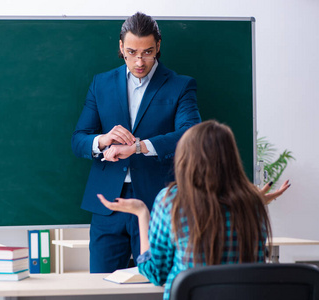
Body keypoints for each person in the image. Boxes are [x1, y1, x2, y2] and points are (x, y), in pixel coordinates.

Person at [98, 120, 291, 300]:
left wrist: (141, 213)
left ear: (186, 157)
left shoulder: (172, 200)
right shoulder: (251, 204)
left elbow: (156, 273)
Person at [71, 12, 201, 273]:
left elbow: (192, 135)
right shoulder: (101, 84)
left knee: (155, 283)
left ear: (158, 47)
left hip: (159, 205)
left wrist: (138, 146)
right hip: (108, 204)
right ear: (121, 47)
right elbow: (78, 140)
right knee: (101, 287)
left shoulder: (180, 85)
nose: (139, 61)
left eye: (148, 52)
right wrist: (102, 139)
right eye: (131, 52)